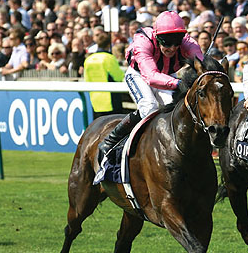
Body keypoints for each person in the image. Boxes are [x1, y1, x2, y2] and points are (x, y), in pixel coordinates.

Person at [98, 11, 203, 158]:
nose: (172, 48)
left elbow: (201, 62)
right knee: (149, 107)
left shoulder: (187, 41)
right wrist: (180, 83)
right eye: (167, 41)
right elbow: (151, 77)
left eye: (176, 41)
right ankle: (112, 139)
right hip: (139, 75)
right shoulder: (143, 40)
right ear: (157, 37)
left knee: (174, 110)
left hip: (166, 75)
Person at [84, 31, 125, 119]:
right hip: (111, 101)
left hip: (95, 101)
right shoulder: (109, 58)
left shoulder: (88, 59)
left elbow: (86, 79)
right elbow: (118, 77)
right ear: (108, 45)